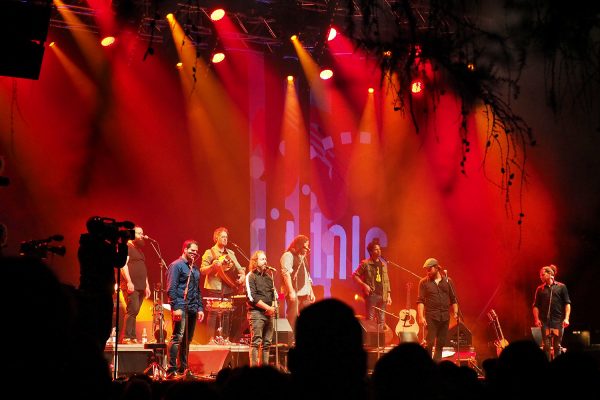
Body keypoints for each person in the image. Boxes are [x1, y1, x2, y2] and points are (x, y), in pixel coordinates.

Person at [166, 240, 205, 378]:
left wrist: (200, 307)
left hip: (193, 307)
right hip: (180, 307)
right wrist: (175, 307)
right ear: (184, 249)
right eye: (192, 250)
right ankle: (171, 370)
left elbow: (198, 290)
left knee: (187, 340)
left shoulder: (195, 268)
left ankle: (183, 368)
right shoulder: (176, 266)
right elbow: (171, 288)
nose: (194, 253)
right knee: (177, 337)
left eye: (196, 251)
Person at [200, 227, 246, 344]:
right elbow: (202, 270)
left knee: (227, 313)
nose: (225, 239)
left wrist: (242, 276)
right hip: (214, 287)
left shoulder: (230, 253)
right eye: (223, 237)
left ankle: (225, 339)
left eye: (226, 237)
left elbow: (239, 268)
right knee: (213, 313)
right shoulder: (209, 252)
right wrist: (212, 267)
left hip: (228, 287)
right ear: (216, 238)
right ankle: (210, 339)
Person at [416, 257, 458, 362]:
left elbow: (454, 299)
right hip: (431, 316)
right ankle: (427, 364)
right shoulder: (423, 282)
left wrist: (456, 312)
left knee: (441, 343)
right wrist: (421, 317)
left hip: (445, 317)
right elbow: (420, 301)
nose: (427, 272)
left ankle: (436, 364)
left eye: (429, 269)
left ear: (436, 267)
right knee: (429, 342)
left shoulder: (448, 281)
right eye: (426, 269)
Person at [119, 226, 151, 343]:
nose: (142, 236)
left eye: (142, 233)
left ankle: (132, 337)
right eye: (139, 233)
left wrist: (146, 285)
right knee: (132, 310)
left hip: (141, 286)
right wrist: (129, 281)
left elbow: (143, 269)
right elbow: (123, 265)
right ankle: (127, 336)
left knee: (135, 311)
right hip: (131, 285)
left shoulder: (139, 250)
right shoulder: (127, 247)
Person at [245, 250, 277, 366]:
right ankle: (254, 371)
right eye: (262, 259)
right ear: (255, 261)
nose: (265, 261)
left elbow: (274, 295)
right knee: (256, 342)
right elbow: (252, 297)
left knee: (267, 343)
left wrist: (272, 308)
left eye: (266, 259)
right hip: (256, 313)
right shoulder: (251, 276)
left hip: (269, 314)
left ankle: (265, 371)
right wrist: (268, 308)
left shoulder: (269, 277)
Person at [532, 264, 571, 360]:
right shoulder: (540, 289)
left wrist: (566, 318)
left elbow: (567, 304)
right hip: (545, 322)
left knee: (557, 346)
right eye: (540, 275)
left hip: (558, 321)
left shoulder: (561, 287)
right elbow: (535, 306)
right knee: (546, 347)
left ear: (549, 274)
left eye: (542, 274)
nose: (540, 276)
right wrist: (536, 319)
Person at [352, 238, 392, 329]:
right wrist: (364, 284)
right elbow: (355, 275)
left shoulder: (383, 265)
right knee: (370, 320)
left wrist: (389, 295)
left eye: (379, 249)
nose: (379, 251)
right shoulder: (365, 263)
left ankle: (380, 342)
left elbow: (387, 281)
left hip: (383, 296)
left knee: (382, 320)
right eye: (376, 249)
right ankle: (371, 342)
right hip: (372, 295)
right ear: (370, 251)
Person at [280, 234, 315, 332]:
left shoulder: (303, 258)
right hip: (294, 292)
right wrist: (291, 291)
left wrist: (311, 291)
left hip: (305, 293)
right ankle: (291, 342)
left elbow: (307, 276)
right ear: (299, 245)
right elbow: (286, 274)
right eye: (305, 246)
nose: (307, 249)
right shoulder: (288, 255)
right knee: (293, 318)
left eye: (308, 246)